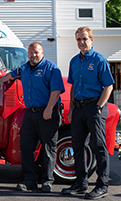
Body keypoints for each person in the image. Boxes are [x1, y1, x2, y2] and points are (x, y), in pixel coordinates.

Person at [0, 42, 64, 193]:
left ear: (42, 53)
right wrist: (1, 80)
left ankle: (47, 181)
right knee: (26, 146)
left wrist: (49, 109)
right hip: (30, 112)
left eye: (36, 52)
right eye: (31, 53)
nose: (33, 55)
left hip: (47, 113)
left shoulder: (51, 69)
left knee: (48, 148)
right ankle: (30, 180)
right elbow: (12, 74)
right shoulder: (24, 68)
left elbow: (56, 90)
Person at [61, 26, 114, 199]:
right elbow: (74, 86)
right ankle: (80, 183)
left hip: (94, 107)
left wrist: (99, 106)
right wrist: (72, 109)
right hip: (79, 108)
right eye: (78, 39)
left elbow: (108, 86)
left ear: (91, 40)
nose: (81, 42)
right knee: (77, 146)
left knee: (99, 146)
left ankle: (102, 185)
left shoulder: (99, 60)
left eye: (84, 39)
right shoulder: (74, 61)